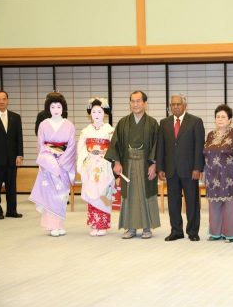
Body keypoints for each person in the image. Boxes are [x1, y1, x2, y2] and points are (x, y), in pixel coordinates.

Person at [105, 91, 160, 239]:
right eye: (133, 101)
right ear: (130, 103)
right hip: (127, 163)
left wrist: (154, 164)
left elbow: (157, 145)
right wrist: (116, 162)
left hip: (145, 162)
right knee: (129, 195)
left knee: (145, 193)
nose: (135, 104)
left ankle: (147, 227)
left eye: (138, 101)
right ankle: (131, 227)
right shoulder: (123, 122)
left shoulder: (152, 123)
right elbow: (115, 144)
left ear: (145, 103)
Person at [157, 93, 205, 242]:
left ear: (185, 105)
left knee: (192, 202)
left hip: (190, 170)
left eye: (178, 104)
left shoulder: (195, 121)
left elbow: (199, 147)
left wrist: (198, 168)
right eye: (173, 104)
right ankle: (176, 231)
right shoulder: (164, 123)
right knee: (173, 202)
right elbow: (161, 147)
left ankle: (193, 231)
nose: (175, 107)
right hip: (171, 170)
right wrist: (160, 168)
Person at [29, 92, 76, 236]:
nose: (56, 109)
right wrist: (50, 161)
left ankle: (59, 224)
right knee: (50, 195)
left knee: (61, 196)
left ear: (63, 108)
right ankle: (52, 225)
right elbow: (41, 145)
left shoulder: (69, 124)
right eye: (53, 106)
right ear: (48, 108)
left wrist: (61, 161)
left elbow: (72, 145)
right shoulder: (43, 124)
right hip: (49, 165)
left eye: (59, 106)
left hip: (63, 164)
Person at [204, 104, 233, 243]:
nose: (220, 119)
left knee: (230, 204)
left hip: (231, 175)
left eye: (223, 116)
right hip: (212, 174)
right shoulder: (210, 135)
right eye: (218, 116)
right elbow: (205, 154)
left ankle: (230, 234)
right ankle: (215, 233)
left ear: (230, 119)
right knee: (214, 204)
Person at [77, 98, 115, 237]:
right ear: (90, 114)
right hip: (90, 165)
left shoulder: (110, 130)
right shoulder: (86, 131)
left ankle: (103, 225)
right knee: (92, 193)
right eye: (94, 112)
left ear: (104, 113)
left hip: (104, 165)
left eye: (100, 111)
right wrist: (86, 159)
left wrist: (104, 156)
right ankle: (94, 224)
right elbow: (81, 149)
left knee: (103, 192)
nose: (97, 114)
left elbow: (114, 149)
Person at [0, 90, 24, 219]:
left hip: (12, 159)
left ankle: (11, 210)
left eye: (4, 99)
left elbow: (19, 138)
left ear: (8, 100)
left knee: (11, 186)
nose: (2, 101)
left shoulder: (15, 117)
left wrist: (19, 155)